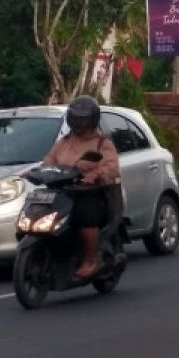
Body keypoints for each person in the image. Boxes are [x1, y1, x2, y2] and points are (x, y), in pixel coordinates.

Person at [41, 96, 120, 280]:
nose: (79, 122)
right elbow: (49, 160)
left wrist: (95, 175)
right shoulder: (64, 141)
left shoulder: (102, 143)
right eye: (75, 118)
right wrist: (37, 172)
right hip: (63, 193)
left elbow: (112, 167)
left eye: (83, 118)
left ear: (92, 119)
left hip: (91, 194)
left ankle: (89, 261)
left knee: (85, 219)